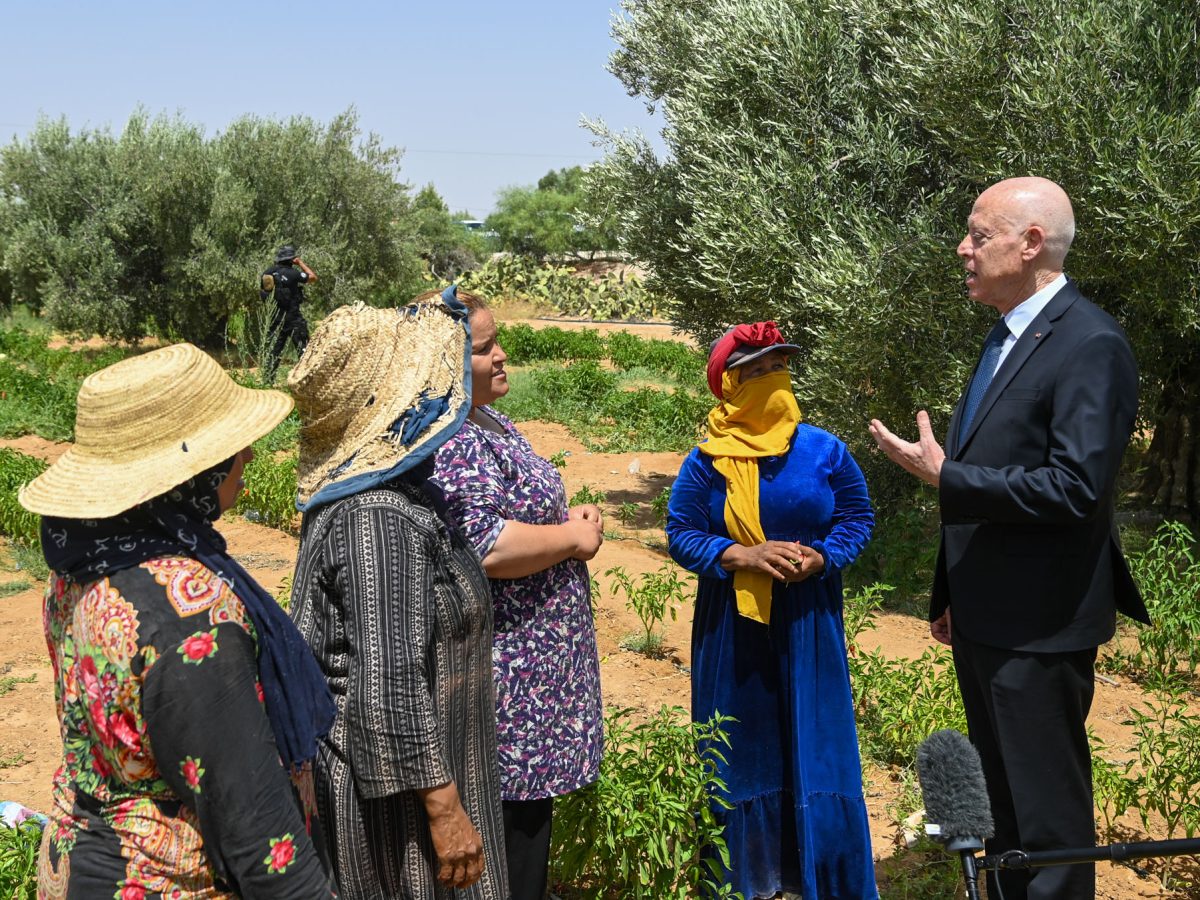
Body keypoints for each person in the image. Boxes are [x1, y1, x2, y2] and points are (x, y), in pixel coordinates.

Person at [869, 176, 1148, 900]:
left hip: (1041, 627)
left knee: (1048, 825)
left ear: (1030, 245)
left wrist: (946, 477)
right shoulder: (1007, 335)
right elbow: (997, 465)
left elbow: (1076, 489)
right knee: (1000, 809)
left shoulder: (1090, 343)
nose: (963, 249)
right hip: (990, 616)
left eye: (978, 234)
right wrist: (955, 590)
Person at [19, 343, 337, 898]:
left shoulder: (84, 565)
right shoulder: (191, 613)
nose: (251, 458)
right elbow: (252, 818)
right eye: (235, 448)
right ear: (198, 472)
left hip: (82, 860)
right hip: (168, 880)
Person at [288, 296, 509, 899]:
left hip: (412, 785)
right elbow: (388, 685)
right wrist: (444, 811)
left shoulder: (395, 496)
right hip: (394, 811)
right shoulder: (379, 518)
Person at [666, 322, 877, 900]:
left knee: (816, 740)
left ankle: (823, 877)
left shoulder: (824, 449)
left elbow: (857, 518)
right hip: (733, 626)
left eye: (778, 368)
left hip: (810, 620)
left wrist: (824, 558)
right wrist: (741, 554)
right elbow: (681, 532)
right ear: (728, 386)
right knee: (740, 744)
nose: (772, 380)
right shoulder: (708, 459)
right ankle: (745, 879)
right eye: (755, 371)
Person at [429, 285, 603, 900]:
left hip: (532, 674)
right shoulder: (451, 439)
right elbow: (488, 545)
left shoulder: (485, 419)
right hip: (507, 675)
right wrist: (572, 539)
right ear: (446, 365)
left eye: (498, 341)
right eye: (484, 348)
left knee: (526, 829)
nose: (501, 355)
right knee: (506, 835)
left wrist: (564, 522)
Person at [260, 244, 317, 381]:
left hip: (275, 318)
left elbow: (263, 292)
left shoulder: (267, 273)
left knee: (274, 351)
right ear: (292, 259)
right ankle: (307, 380)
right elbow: (313, 277)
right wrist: (300, 263)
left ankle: (268, 381)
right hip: (293, 318)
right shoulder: (293, 273)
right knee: (304, 350)